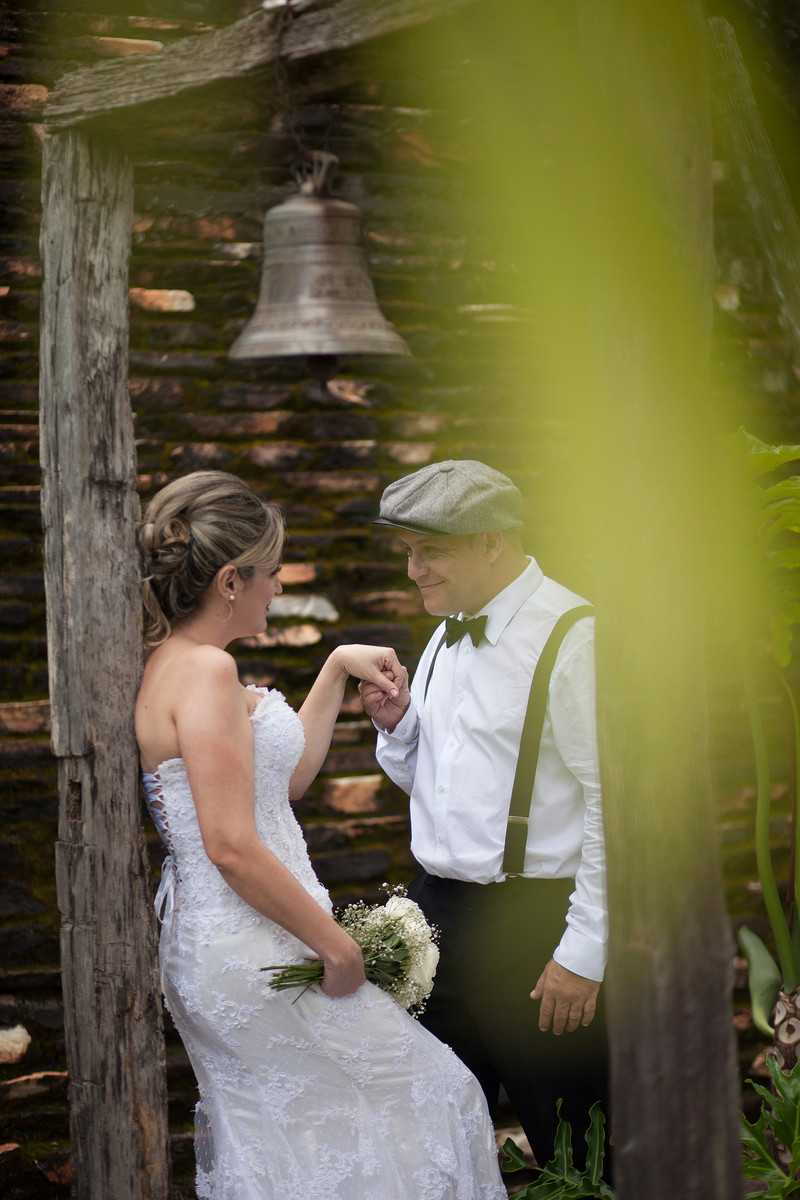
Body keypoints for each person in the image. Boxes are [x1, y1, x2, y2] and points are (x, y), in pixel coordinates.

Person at [134, 470, 506, 1200]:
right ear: (232, 581)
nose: (279, 587)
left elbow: (284, 782)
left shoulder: (172, 663)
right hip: (254, 946)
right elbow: (233, 845)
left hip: (233, 942)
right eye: (272, 573)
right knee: (443, 1096)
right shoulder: (208, 671)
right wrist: (336, 945)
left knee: (300, 1144)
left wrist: (335, 669)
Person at [359, 459, 609, 1170]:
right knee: (440, 1144)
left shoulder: (572, 636)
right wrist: (400, 728)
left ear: (492, 542)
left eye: (429, 550)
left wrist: (583, 952)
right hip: (438, 918)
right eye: (407, 551)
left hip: (535, 929)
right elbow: (437, 787)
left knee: (572, 1148)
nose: (413, 571)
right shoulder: (446, 631)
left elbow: (613, 808)